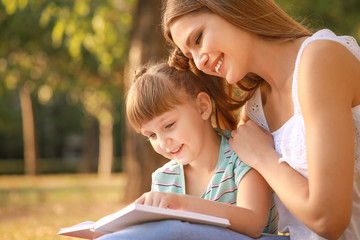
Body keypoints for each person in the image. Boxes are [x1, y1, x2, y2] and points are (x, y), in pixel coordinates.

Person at [161, 0, 360, 240]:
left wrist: (264, 157)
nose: (199, 62)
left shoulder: (320, 59)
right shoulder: (254, 113)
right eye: (189, 55)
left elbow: (328, 219)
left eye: (198, 38)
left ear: (232, 7)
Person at [97, 62, 287, 240]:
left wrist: (180, 204)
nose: (163, 142)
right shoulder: (164, 178)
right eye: (151, 135)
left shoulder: (243, 153)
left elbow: (252, 223)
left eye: (169, 125)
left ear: (202, 107)